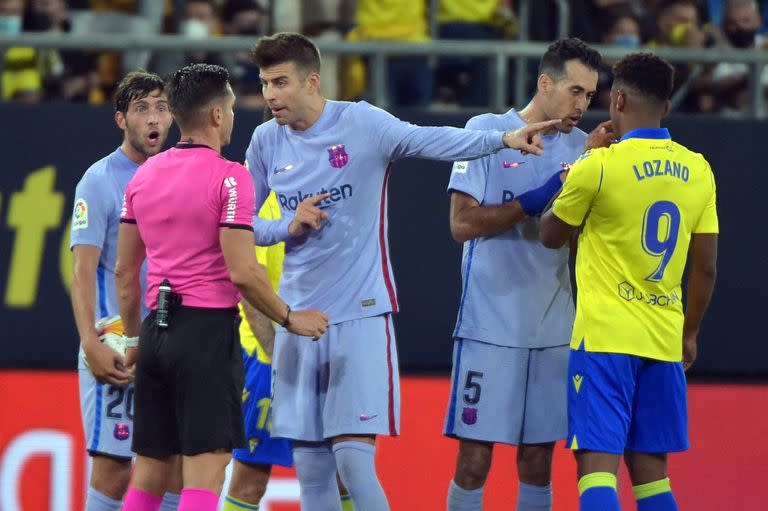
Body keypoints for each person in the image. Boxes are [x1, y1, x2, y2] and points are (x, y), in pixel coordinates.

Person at [245, 32, 560, 511]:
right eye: (265, 82)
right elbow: (241, 225)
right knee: (310, 468)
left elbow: (430, 139)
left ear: (312, 82)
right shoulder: (266, 141)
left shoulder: (362, 123)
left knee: (353, 463)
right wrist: (286, 225)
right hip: (297, 317)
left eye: (280, 82)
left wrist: (502, 139)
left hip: (359, 316)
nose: (269, 94)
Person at [115, 63, 328, 511]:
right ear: (216, 116)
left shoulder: (144, 176)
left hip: (156, 331)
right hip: (207, 335)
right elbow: (243, 271)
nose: (233, 117)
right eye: (230, 108)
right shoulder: (231, 176)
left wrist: (135, 340)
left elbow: (124, 274)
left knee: (150, 473)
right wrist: (290, 318)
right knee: (205, 474)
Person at [539, 53, 718, 511]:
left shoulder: (599, 165)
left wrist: (583, 162)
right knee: (653, 475)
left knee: (597, 468)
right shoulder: (698, 168)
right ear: (667, 107)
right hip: (663, 340)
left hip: (604, 339)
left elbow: (550, 235)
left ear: (616, 99)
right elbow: (705, 268)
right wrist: (690, 331)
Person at [442, 38, 603, 511]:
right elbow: (461, 225)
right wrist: (537, 198)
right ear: (544, 83)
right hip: (488, 326)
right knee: (474, 461)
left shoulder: (584, 149)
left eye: (590, 95)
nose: (582, 104)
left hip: (554, 328)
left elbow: (577, 239)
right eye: (575, 91)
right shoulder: (487, 131)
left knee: (537, 462)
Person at [223, 108, 355, 511]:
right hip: (266, 359)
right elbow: (248, 288)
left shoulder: (327, 193)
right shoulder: (261, 200)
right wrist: (276, 354)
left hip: (322, 347)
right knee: (250, 480)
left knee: (341, 471)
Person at [69, 70, 180, 511]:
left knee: (173, 468)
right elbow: (81, 272)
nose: (153, 118)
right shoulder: (98, 181)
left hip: (168, 343)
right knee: (114, 473)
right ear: (121, 120)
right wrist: (90, 344)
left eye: (161, 107)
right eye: (141, 109)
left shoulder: (179, 173)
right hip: (115, 342)